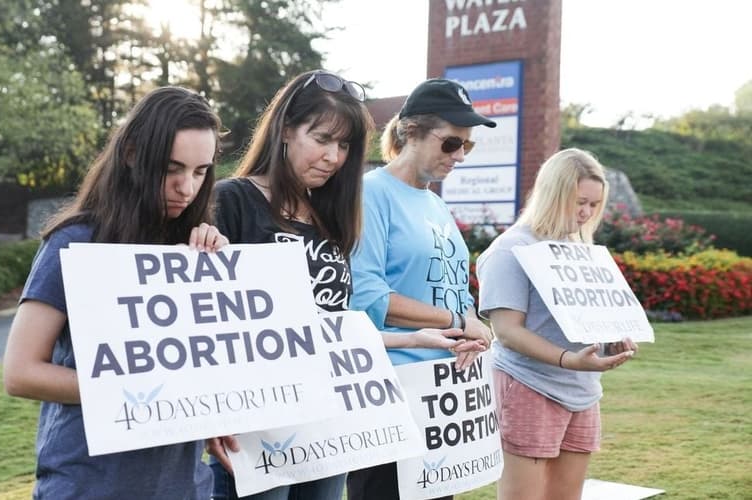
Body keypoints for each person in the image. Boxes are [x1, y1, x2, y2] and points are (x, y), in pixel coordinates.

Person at [205, 70, 471, 500]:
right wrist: (214, 413)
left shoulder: (330, 216)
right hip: (257, 429)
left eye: (344, 145)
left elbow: (331, 329)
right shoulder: (232, 200)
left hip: (330, 422)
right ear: (287, 130)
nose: (333, 157)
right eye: (323, 138)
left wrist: (417, 338)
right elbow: (205, 326)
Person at [2, 86, 228, 499]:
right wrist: (142, 391)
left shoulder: (191, 248)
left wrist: (215, 273)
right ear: (131, 155)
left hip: (184, 486)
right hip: (91, 484)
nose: (186, 188)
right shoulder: (76, 241)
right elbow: (20, 372)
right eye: (171, 168)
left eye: (200, 172)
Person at [346, 78, 496, 500]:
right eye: (451, 143)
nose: (460, 156)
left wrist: (472, 324)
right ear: (410, 131)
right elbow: (368, 297)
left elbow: (455, 286)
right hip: (392, 393)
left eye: (469, 146)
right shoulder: (369, 194)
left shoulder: (435, 203)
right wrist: (455, 322)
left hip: (443, 396)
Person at [475, 148, 638, 500]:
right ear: (554, 194)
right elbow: (506, 331)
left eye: (594, 205)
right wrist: (568, 359)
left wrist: (613, 340)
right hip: (529, 386)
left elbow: (586, 319)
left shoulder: (579, 247)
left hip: (582, 391)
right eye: (579, 202)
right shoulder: (510, 250)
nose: (586, 213)